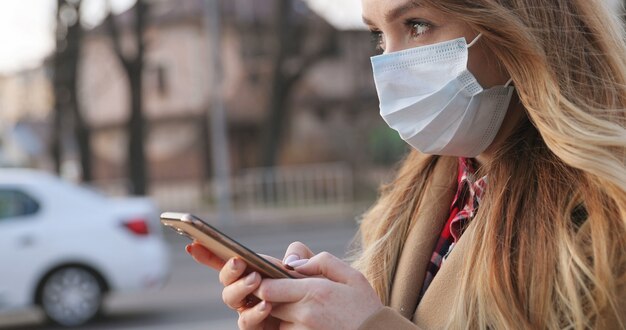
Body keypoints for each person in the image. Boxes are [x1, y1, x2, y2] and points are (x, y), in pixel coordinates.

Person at [188, 0, 626, 328]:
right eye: (379, 36)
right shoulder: (424, 186)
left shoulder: (607, 215)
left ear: (518, 26)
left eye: (416, 25)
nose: (391, 63)